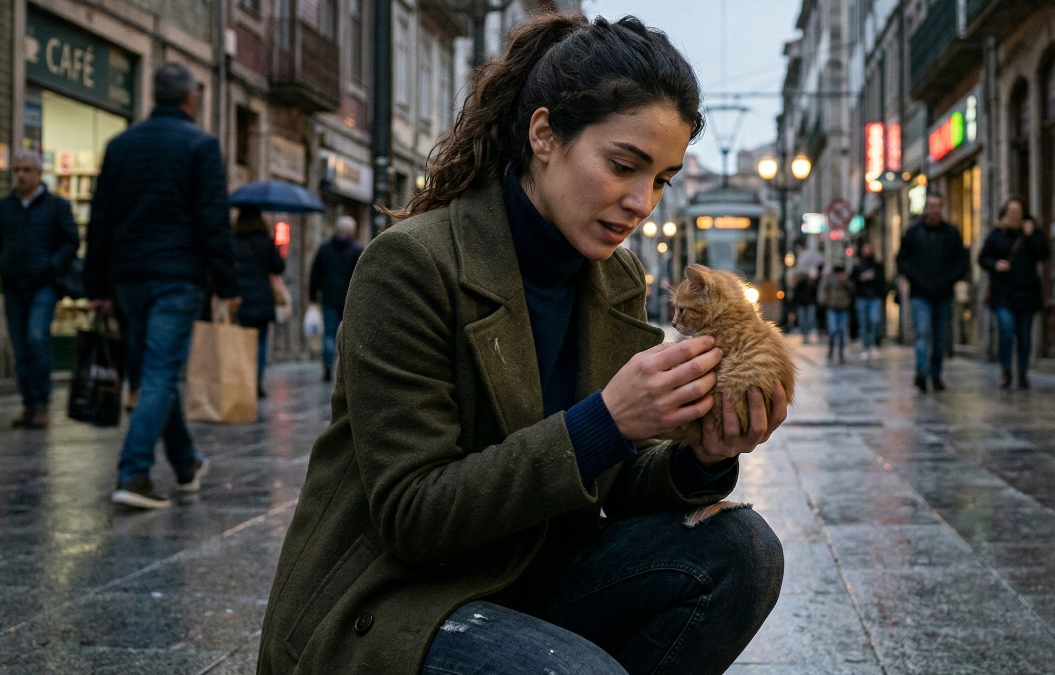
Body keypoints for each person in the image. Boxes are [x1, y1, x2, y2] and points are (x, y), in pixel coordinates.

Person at [257, 13, 787, 675]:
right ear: (543, 134)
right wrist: (606, 421)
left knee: (744, 551)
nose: (641, 201)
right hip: (399, 598)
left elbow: (617, 481)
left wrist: (698, 459)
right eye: (623, 166)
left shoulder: (615, 277)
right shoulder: (411, 265)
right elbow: (412, 515)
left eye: (661, 179)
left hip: (531, 573)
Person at [85, 63, 240, 510]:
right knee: (160, 373)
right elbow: (213, 220)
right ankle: (134, 474)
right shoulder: (201, 145)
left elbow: (100, 218)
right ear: (190, 97)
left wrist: (96, 284)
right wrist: (226, 283)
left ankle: (186, 463)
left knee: (156, 371)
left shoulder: (121, 145)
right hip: (177, 276)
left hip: (128, 279)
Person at [0, 149, 79, 429]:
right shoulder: (5, 207)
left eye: (26, 170)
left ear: (39, 174)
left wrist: (52, 264)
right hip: (14, 286)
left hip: (43, 285)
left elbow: (71, 240)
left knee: (37, 338)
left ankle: (42, 403)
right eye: (17, 170)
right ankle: (29, 404)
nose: (21, 176)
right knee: (21, 348)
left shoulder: (55, 206)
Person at [896, 194, 969, 392]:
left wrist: (949, 280)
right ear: (925, 208)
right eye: (931, 206)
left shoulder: (951, 233)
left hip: (943, 293)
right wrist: (915, 277)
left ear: (941, 208)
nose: (934, 210)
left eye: (937, 206)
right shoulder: (913, 233)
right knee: (922, 332)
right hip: (920, 293)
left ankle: (936, 375)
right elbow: (902, 261)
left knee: (939, 337)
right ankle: (922, 372)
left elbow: (962, 261)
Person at [979, 198, 1049, 390]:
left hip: (1027, 292)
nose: (1014, 216)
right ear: (1005, 213)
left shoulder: (1032, 233)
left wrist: (1031, 235)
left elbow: (1043, 254)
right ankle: (1006, 370)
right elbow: (982, 258)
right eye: (1011, 212)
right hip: (1003, 292)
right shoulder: (996, 234)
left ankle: (1023, 373)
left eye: (1018, 212)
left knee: (1024, 336)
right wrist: (996, 264)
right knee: (1006, 329)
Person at [233, 206, 286, 398]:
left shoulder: (232, 241)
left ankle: (243, 380)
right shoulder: (266, 242)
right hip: (262, 299)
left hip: (239, 298)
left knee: (241, 342)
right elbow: (279, 267)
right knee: (261, 342)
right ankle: (257, 381)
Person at [308, 215, 363, 382]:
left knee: (329, 334)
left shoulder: (325, 249)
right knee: (349, 335)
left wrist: (312, 295)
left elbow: (315, 273)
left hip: (329, 297)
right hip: (349, 299)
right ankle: (347, 369)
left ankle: (327, 367)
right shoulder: (356, 249)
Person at [852, 240, 887, 360]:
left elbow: (882, 281)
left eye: (869, 248)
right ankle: (865, 347)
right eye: (865, 248)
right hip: (861, 297)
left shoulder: (877, 265)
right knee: (863, 323)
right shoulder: (858, 266)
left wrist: (881, 295)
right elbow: (853, 280)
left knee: (874, 321)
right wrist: (861, 278)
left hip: (874, 297)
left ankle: (873, 344)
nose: (867, 251)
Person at [818, 264, 854, 364]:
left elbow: (852, 290)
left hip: (843, 308)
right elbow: (823, 290)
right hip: (832, 308)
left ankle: (841, 353)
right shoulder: (829, 279)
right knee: (833, 330)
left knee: (842, 331)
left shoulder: (847, 280)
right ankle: (831, 350)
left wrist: (845, 282)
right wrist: (824, 302)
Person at [792, 269, 818, 343]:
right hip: (804, 304)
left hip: (808, 304)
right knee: (804, 321)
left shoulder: (810, 283)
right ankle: (805, 336)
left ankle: (806, 335)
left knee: (807, 320)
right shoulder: (801, 284)